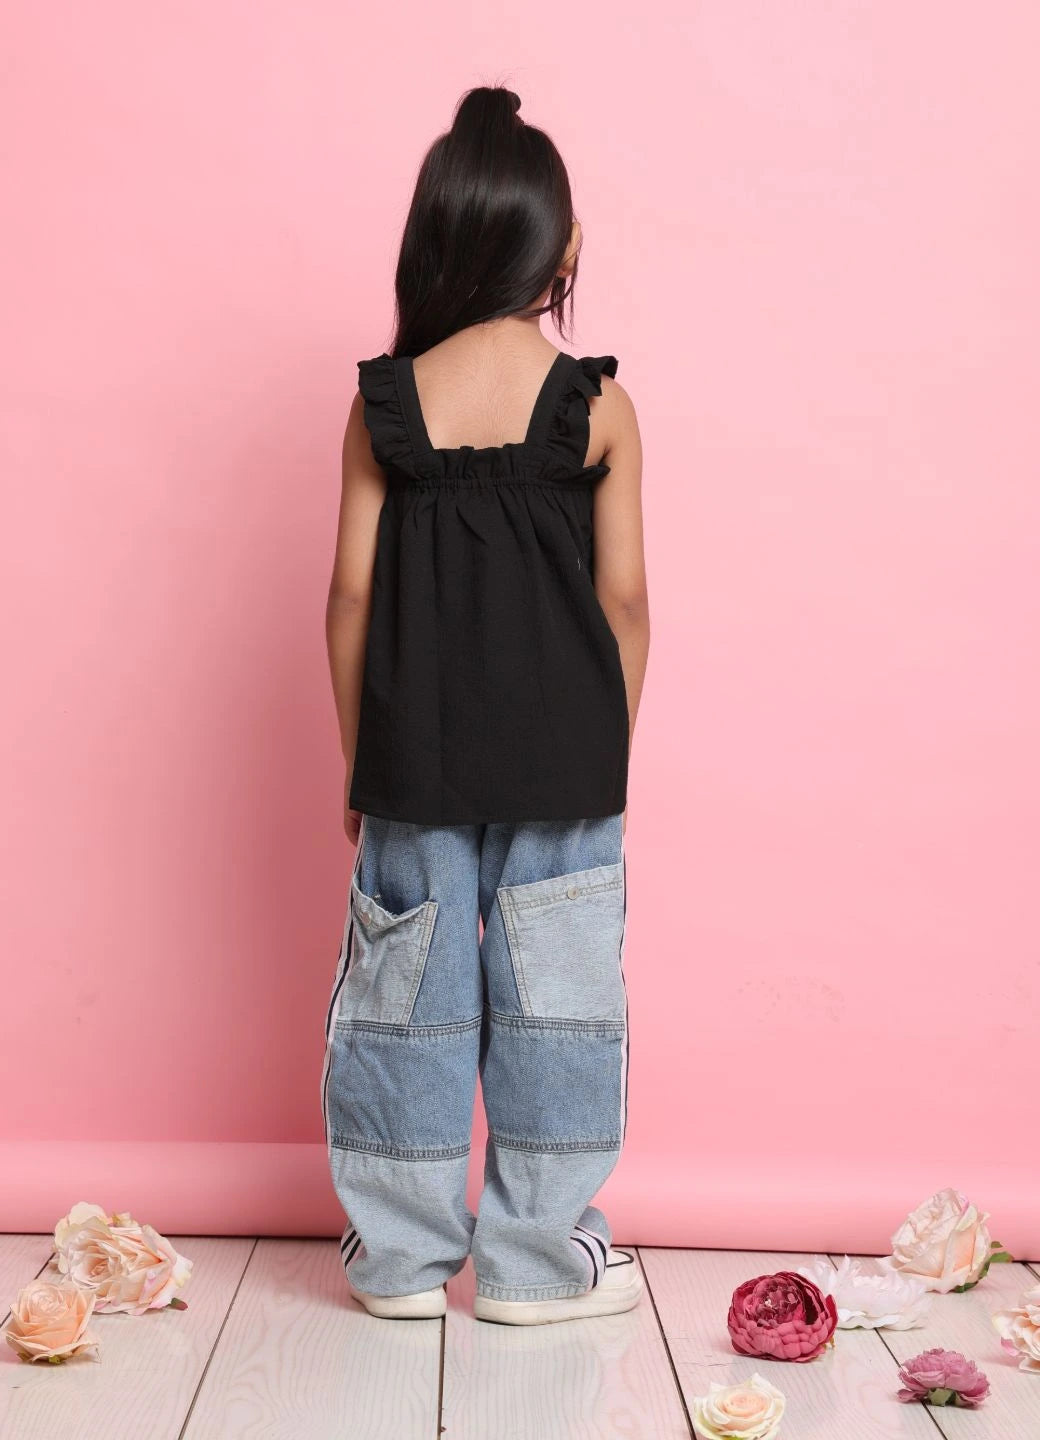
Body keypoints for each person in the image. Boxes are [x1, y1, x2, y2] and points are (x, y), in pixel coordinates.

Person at [323, 83, 650, 1326]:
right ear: (560, 252)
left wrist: (364, 763)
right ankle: (532, 1262)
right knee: (560, 1004)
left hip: (415, 757)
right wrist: (603, 751)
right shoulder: (600, 408)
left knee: (403, 1003)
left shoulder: (384, 406)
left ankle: (403, 1264)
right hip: (570, 761)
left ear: (442, 241)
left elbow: (349, 598)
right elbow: (625, 605)